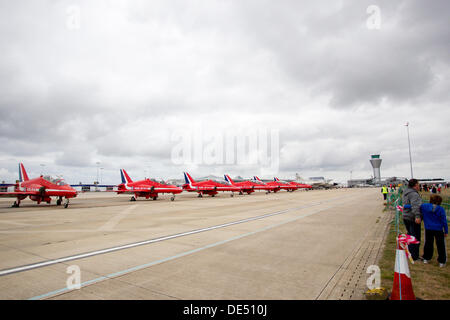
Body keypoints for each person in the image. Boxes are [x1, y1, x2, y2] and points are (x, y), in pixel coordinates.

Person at [421, 195, 448, 267]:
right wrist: (446, 231)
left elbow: (415, 206)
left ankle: (426, 258)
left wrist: (405, 206)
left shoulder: (424, 206)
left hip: (428, 228)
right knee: (440, 245)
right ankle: (442, 261)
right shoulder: (441, 209)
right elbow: (444, 221)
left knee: (428, 243)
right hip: (438, 229)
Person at [402, 179, 422, 261]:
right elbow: (415, 206)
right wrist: (417, 216)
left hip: (406, 216)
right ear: (415, 185)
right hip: (412, 217)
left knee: (410, 236)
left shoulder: (405, 192)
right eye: (418, 185)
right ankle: (414, 256)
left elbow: (406, 204)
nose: (419, 186)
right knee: (415, 237)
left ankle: (410, 253)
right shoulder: (414, 194)